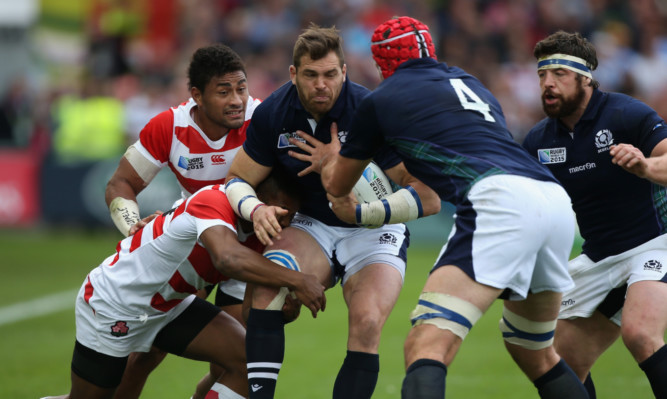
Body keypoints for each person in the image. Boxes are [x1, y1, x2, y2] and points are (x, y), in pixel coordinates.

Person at [313, 16, 589, 399]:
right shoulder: (470, 81)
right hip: (552, 200)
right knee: (535, 351)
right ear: (430, 48)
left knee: (425, 346)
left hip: (501, 203)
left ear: (381, 64)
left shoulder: (380, 100)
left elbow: (339, 184)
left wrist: (332, 162)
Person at [224, 23, 438, 399]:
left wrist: (344, 172)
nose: (321, 84)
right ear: (294, 74)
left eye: (329, 74)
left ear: (344, 72)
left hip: (374, 229)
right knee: (267, 287)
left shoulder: (373, 112)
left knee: (368, 322)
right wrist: (255, 208)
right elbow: (238, 177)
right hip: (313, 225)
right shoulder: (275, 112)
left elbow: (424, 193)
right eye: (310, 75)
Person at [50, 172, 326, 399]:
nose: (285, 222)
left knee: (248, 359)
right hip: (115, 301)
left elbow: (250, 315)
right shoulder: (213, 200)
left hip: (169, 307)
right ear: (254, 199)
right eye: (279, 212)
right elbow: (227, 258)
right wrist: (298, 280)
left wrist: (281, 310)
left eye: (291, 215)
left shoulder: (261, 233)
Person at [104, 43, 260, 398]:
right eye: (224, 92)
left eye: (241, 88)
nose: (237, 99)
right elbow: (121, 183)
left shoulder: (262, 120)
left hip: (247, 250)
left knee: (233, 363)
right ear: (197, 96)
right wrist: (131, 224)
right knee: (146, 352)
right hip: (194, 246)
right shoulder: (169, 126)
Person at [522, 30, 667, 398]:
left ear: (585, 77)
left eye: (558, 74)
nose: (547, 84)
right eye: (542, 75)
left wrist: (646, 167)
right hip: (600, 256)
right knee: (556, 360)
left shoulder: (626, 113)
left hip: (656, 242)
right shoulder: (538, 141)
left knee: (640, 333)